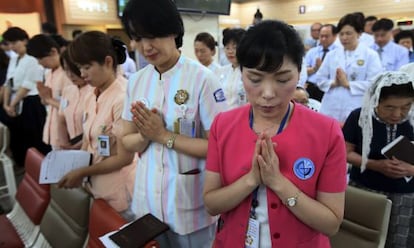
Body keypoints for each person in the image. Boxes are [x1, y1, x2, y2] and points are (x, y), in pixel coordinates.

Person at [203, 20, 347, 247]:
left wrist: (277, 182)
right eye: (255, 79)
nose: (268, 93)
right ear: (241, 74)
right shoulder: (223, 125)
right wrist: (251, 180)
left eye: (282, 79)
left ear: (299, 74)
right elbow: (212, 203)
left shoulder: (326, 132)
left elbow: (330, 224)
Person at [120, 0, 228, 247]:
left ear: (174, 31)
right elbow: (126, 140)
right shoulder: (136, 81)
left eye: (153, 36)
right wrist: (145, 136)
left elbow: (218, 146)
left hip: (189, 206)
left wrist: (163, 136)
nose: (146, 46)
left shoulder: (203, 79)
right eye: (138, 37)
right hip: (146, 202)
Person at [58, 31, 136, 217]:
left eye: (86, 67)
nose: (82, 74)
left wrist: (82, 171)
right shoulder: (92, 94)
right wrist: (77, 165)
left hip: (119, 189)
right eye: (79, 68)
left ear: (108, 62)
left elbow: (124, 158)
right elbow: (88, 139)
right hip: (96, 185)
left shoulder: (122, 98)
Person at [342, 71, 414, 248]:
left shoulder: (411, 122)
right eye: (389, 107)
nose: (398, 114)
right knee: (361, 239)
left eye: (406, 106)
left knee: (398, 241)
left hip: (405, 196)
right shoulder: (359, 117)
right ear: (376, 101)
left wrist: (410, 170)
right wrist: (374, 165)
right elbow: (345, 152)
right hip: (366, 191)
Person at [316, 13, 383, 124]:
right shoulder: (332, 55)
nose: (344, 37)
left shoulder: (370, 55)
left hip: (356, 104)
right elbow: (320, 79)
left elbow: (375, 83)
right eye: (341, 34)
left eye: (348, 33)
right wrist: (334, 83)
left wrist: (348, 84)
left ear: (359, 33)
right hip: (331, 105)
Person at [0, 27, 51, 166]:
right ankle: (26, 165)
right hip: (15, 101)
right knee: (19, 137)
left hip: (30, 101)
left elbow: (28, 84)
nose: (12, 47)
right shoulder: (14, 59)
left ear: (24, 40)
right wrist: (6, 103)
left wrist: (11, 103)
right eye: (9, 43)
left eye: (14, 42)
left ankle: (42, 166)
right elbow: (7, 82)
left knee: (34, 137)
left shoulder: (32, 58)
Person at [26, 34, 73, 150]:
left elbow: (72, 108)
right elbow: (48, 102)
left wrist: (48, 99)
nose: (39, 63)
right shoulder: (49, 73)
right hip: (53, 128)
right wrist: (44, 99)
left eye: (40, 58)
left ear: (53, 52)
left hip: (67, 131)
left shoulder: (68, 74)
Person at [58, 50, 93, 149]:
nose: (70, 75)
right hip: (71, 144)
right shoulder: (68, 90)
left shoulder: (94, 90)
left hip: (89, 146)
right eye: (66, 70)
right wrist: (64, 143)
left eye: (73, 70)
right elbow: (61, 119)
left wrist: (78, 146)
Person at [304, 24, 340, 101]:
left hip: (328, 88)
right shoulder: (312, 52)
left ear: (334, 36)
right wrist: (315, 68)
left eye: (326, 36)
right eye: (321, 36)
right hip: (310, 86)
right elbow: (303, 71)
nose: (323, 39)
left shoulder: (339, 53)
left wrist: (323, 68)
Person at [220, 27, 247, 109]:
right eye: (227, 48)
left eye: (234, 48)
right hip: (224, 115)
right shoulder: (222, 71)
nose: (230, 52)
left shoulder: (250, 72)